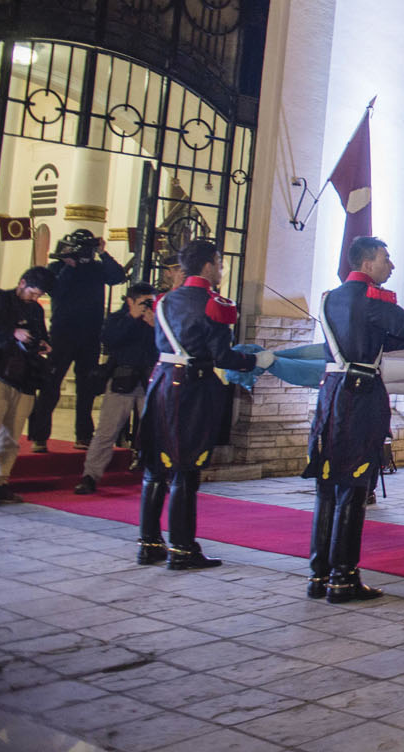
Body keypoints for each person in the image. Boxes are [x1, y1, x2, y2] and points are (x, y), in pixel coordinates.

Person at [305, 236, 404, 602]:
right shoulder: (376, 300)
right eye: (386, 259)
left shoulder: (331, 297)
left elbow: (372, 339)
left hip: (331, 393)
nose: (390, 266)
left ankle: (319, 575)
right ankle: (344, 577)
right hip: (360, 397)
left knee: (327, 486)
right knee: (354, 486)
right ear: (367, 264)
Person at [138, 238, 272, 570]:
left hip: (161, 382)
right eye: (221, 264)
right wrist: (254, 362)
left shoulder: (164, 301)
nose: (222, 270)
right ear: (209, 264)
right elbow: (222, 356)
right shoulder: (215, 304)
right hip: (191, 390)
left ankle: (149, 543)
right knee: (186, 469)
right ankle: (183, 549)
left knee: (155, 468)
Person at [31, 228, 125, 451]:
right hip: (62, 334)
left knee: (87, 387)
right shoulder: (57, 268)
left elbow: (118, 276)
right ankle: (40, 436)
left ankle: (83, 435)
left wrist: (103, 253)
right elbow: (56, 291)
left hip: (90, 335)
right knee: (50, 385)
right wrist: (68, 265)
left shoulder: (96, 268)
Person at [74, 283, 158, 495]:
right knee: (106, 432)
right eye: (144, 302)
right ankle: (90, 476)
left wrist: (156, 326)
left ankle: (156, 474)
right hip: (123, 380)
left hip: (149, 381)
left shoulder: (157, 320)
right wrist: (131, 317)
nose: (148, 306)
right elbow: (109, 340)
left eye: (151, 302)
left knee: (154, 432)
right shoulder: (117, 319)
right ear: (130, 301)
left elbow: (167, 345)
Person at [0, 267, 54, 505]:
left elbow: (42, 335)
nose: (34, 298)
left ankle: (1, 483)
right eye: (32, 292)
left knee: (11, 435)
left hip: (26, 379)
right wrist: (13, 333)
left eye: (38, 294)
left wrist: (43, 344)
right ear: (22, 283)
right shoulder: (1, 300)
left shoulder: (36, 309)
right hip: (0, 373)